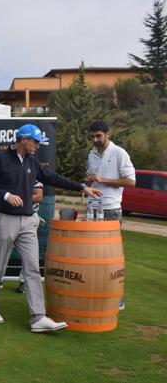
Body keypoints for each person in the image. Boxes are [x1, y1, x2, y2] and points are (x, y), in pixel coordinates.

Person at [0, 123, 102, 333]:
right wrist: (6, 195)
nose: (37, 145)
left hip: (27, 221)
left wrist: (81, 187)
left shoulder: (31, 161)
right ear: (23, 139)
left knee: (33, 268)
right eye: (35, 141)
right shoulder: (0, 160)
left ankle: (37, 317)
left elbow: (52, 178)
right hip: (4, 219)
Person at [85, 120, 135, 310]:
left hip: (111, 210)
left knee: (111, 256)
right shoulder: (91, 154)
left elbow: (131, 181)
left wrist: (101, 179)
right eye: (92, 136)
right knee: (93, 256)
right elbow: (92, 176)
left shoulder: (119, 153)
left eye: (98, 136)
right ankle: (97, 292)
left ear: (108, 134)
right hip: (92, 209)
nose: (95, 139)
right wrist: (88, 181)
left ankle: (117, 298)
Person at [16, 180, 43, 294]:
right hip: (8, 217)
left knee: (28, 254)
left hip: (29, 217)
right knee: (2, 252)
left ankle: (23, 282)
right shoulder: (11, 176)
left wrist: (16, 198)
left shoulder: (35, 179)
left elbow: (38, 197)